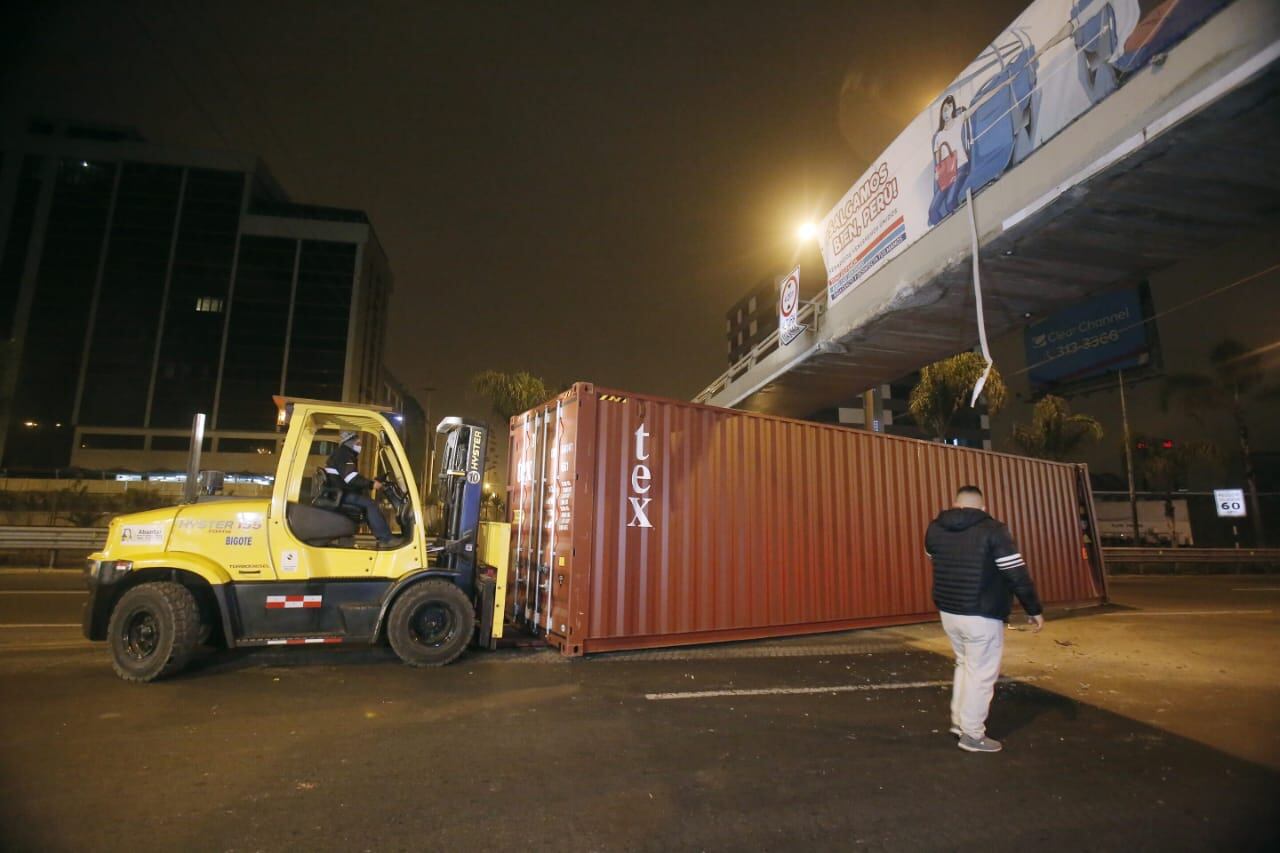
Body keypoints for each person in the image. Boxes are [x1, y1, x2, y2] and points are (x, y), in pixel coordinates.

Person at [925, 485, 1044, 753]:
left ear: (955, 505)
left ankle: (959, 723)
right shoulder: (994, 530)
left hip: (949, 611)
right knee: (981, 674)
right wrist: (1033, 608)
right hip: (983, 613)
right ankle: (973, 734)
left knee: (964, 664)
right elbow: (1015, 573)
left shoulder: (934, 528)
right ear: (983, 507)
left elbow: (935, 557)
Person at [325, 431, 396, 546]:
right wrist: (372, 485)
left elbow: (352, 478)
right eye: (357, 443)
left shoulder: (344, 454)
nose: (360, 446)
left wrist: (371, 482)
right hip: (342, 494)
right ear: (349, 443)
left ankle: (382, 536)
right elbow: (351, 478)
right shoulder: (344, 455)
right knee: (370, 504)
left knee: (367, 500)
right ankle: (386, 539)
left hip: (341, 491)